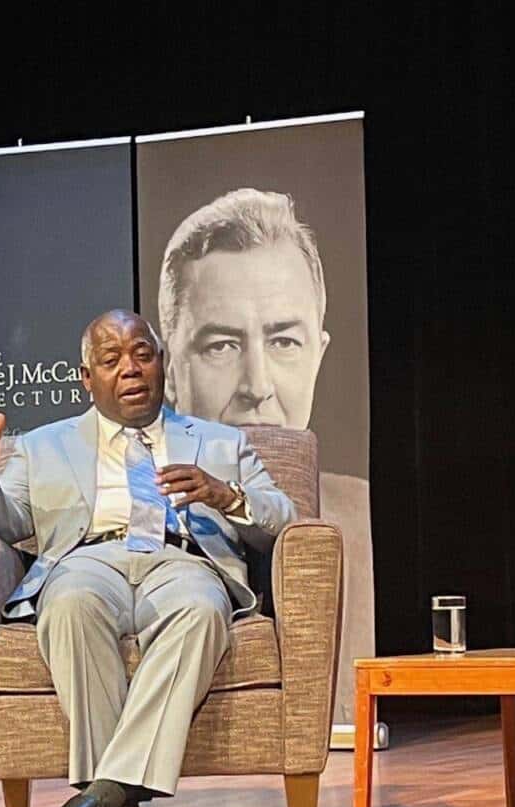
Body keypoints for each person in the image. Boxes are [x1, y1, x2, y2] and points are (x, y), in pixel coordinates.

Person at [0, 309, 296, 807]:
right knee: (67, 606)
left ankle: (101, 801)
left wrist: (224, 495)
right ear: (86, 379)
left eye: (143, 354)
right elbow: (4, 519)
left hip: (180, 560)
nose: (131, 369)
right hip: (87, 558)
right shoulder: (43, 445)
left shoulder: (218, 441)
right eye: (111, 360)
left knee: (199, 611)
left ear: (162, 364)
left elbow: (283, 517)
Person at [157, 188, 375, 724]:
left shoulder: (364, 527)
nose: (258, 385)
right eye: (221, 346)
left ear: (318, 356)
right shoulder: (136, 502)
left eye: (283, 342)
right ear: (168, 372)